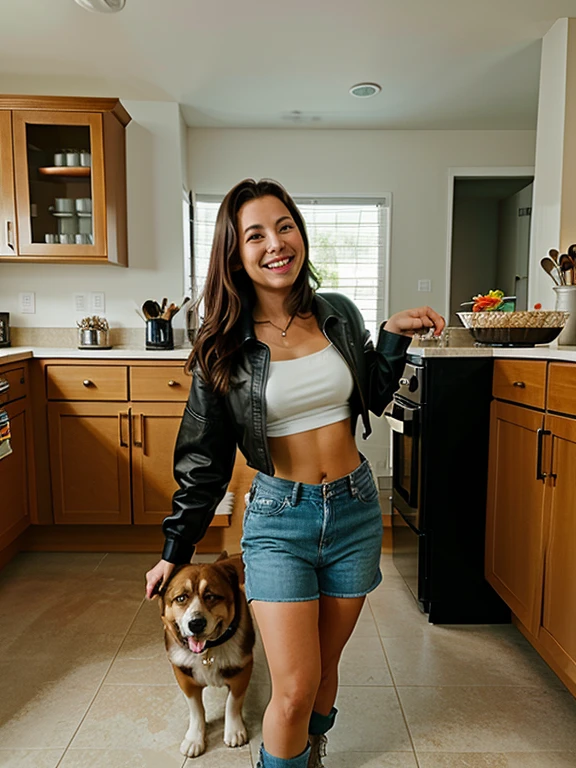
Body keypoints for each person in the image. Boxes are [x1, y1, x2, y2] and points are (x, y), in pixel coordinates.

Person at [145, 178, 445, 768]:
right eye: (254, 235)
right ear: (234, 253)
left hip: (356, 509)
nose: (275, 243)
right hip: (280, 518)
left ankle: (310, 753)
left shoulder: (336, 314)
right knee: (292, 688)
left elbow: (371, 397)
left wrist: (388, 340)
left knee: (324, 671)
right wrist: (173, 548)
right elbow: (202, 462)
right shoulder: (221, 347)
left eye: (284, 226)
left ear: (300, 234)